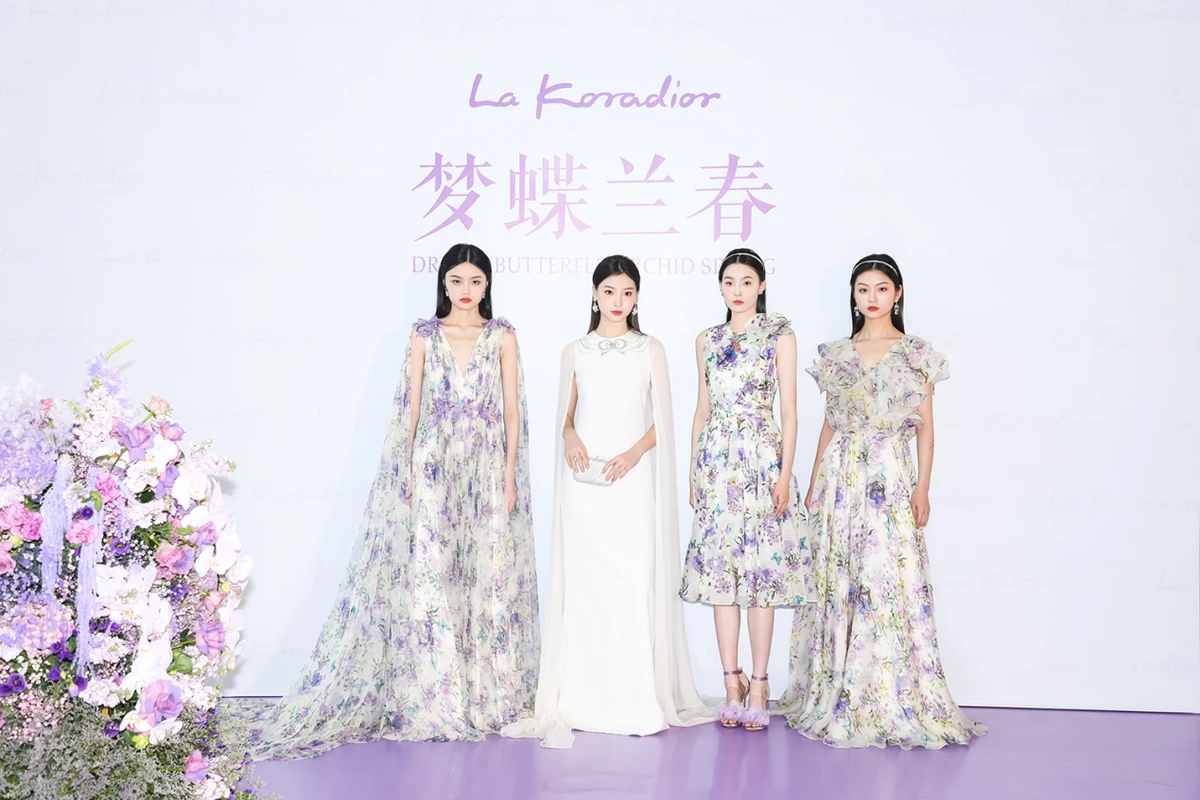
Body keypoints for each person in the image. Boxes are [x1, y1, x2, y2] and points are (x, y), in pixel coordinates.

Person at [238, 243, 539, 759]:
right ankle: (436, 694)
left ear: (488, 284)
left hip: (487, 468)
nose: (466, 290)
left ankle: (485, 692)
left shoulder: (502, 336)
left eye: (476, 281)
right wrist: (406, 470)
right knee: (431, 573)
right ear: (443, 283)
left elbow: (513, 412)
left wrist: (510, 476)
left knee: (486, 573)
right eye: (457, 280)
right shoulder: (423, 336)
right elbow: (409, 410)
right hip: (431, 465)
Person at [776, 254, 986, 749]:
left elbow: (926, 429)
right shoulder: (836, 354)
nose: (872, 297)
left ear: (898, 293)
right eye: (863, 289)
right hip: (841, 477)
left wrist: (922, 487)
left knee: (887, 577)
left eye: (881, 288)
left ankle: (890, 693)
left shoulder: (916, 354)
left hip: (890, 475)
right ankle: (839, 690)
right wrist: (814, 482)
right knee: (840, 577)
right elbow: (829, 423)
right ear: (853, 296)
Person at [503, 255, 712, 749]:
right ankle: (580, 699)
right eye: (610, 291)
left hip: (631, 484)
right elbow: (567, 414)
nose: (618, 301)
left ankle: (635, 698)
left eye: (628, 292)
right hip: (584, 486)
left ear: (637, 297)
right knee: (585, 589)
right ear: (595, 294)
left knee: (633, 583)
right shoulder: (574, 351)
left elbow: (665, 421)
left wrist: (634, 455)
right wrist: (569, 435)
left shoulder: (650, 349)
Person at [680, 248, 813, 731]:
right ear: (720, 287)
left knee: (761, 576)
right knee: (722, 577)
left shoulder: (780, 335)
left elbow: (790, 412)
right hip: (717, 463)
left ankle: (759, 684)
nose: (737, 290)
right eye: (729, 282)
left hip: (761, 460)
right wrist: (694, 470)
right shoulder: (707, 339)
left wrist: (784, 473)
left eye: (747, 281)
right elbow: (702, 409)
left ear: (761, 286)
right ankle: (730, 683)